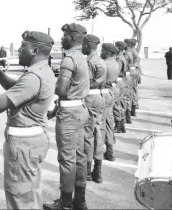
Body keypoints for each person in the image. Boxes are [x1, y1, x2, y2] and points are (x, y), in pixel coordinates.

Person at [0, 30, 55, 209]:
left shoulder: (33, 78)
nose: (19, 50)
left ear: (34, 51)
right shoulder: (42, 71)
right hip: (33, 142)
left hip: (23, 146)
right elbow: (15, 88)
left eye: (23, 46)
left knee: (19, 198)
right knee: (30, 194)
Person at [44, 23, 90, 210]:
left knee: (67, 159)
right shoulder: (81, 57)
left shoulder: (69, 59)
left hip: (70, 115)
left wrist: (48, 82)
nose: (61, 39)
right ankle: (80, 201)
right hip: (80, 109)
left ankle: (65, 203)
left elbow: (61, 89)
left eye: (64, 36)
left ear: (71, 38)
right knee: (79, 157)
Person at [81, 34, 106, 184]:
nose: (82, 47)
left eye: (83, 44)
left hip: (90, 98)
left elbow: (89, 83)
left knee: (88, 135)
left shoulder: (90, 62)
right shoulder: (100, 60)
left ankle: (89, 171)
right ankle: (98, 170)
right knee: (97, 133)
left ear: (88, 45)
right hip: (99, 98)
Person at [100, 43, 120, 162]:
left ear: (107, 52)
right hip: (112, 91)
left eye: (102, 50)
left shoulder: (104, 64)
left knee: (101, 124)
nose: (100, 52)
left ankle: (106, 150)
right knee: (108, 121)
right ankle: (110, 149)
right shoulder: (115, 62)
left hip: (103, 93)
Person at [113, 41, 130, 133]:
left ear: (119, 48)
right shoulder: (121, 57)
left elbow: (117, 71)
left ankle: (119, 125)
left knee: (116, 104)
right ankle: (121, 125)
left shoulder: (119, 58)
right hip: (122, 81)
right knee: (119, 104)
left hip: (118, 81)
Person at [126, 39, 141, 117]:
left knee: (129, 91)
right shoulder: (135, 51)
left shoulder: (129, 52)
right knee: (134, 90)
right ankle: (134, 107)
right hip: (135, 70)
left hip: (131, 71)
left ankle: (130, 110)